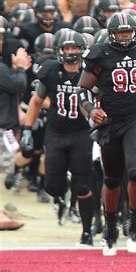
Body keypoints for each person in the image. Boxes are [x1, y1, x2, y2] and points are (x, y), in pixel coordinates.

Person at [77, 12, 136, 256]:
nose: (125, 38)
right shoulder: (100, 54)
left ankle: (135, 223)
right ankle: (111, 226)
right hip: (110, 121)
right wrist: (92, 110)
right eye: (121, 33)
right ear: (112, 34)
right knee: (112, 178)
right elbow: (81, 89)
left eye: (128, 33)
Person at [21, 30, 95, 246]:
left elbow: (102, 100)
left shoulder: (90, 72)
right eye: (66, 48)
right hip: (56, 133)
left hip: (82, 133)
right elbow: (36, 101)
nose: (70, 52)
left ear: (82, 50)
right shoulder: (51, 70)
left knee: (83, 186)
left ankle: (87, 232)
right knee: (53, 187)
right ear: (59, 50)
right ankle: (61, 200)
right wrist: (27, 128)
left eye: (74, 48)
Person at [0, 47, 29, 190]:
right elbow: (18, 85)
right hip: (3, 127)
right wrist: (20, 68)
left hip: (5, 126)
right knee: (4, 169)